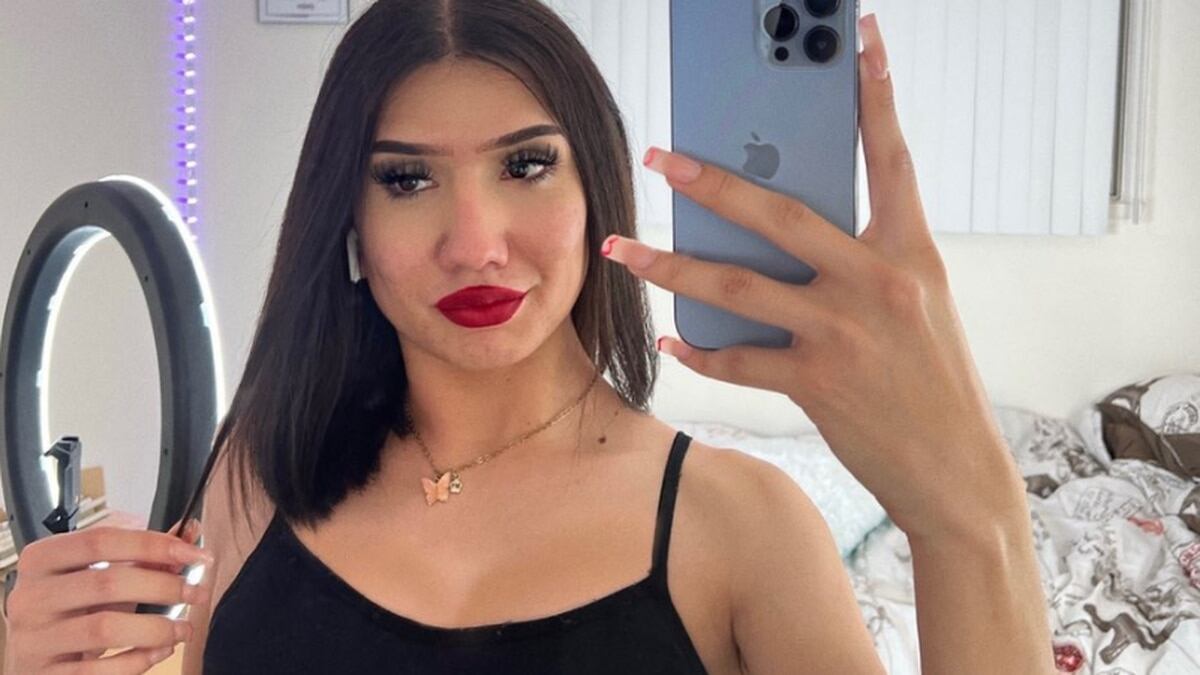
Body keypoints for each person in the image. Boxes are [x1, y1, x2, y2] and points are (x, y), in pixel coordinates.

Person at [2, 1, 1056, 673]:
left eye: (526, 165)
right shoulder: (259, 474)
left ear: (597, 191)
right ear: (348, 224)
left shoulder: (743, 530)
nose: (475, 243)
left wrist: (970, 520)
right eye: (406, 179)